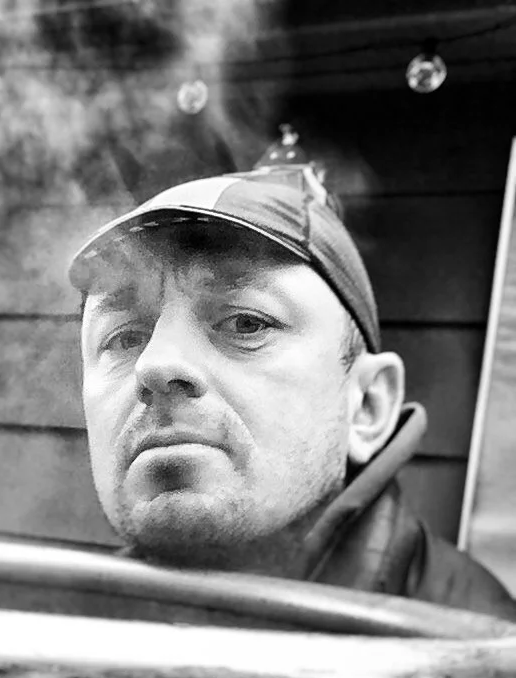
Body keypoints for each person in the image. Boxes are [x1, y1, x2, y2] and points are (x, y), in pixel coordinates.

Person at [68, 164, 516, 620]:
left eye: (246, 323)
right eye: (124, 338)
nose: (155, 364)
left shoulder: (481, 642)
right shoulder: (77, 631)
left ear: (367, 406)